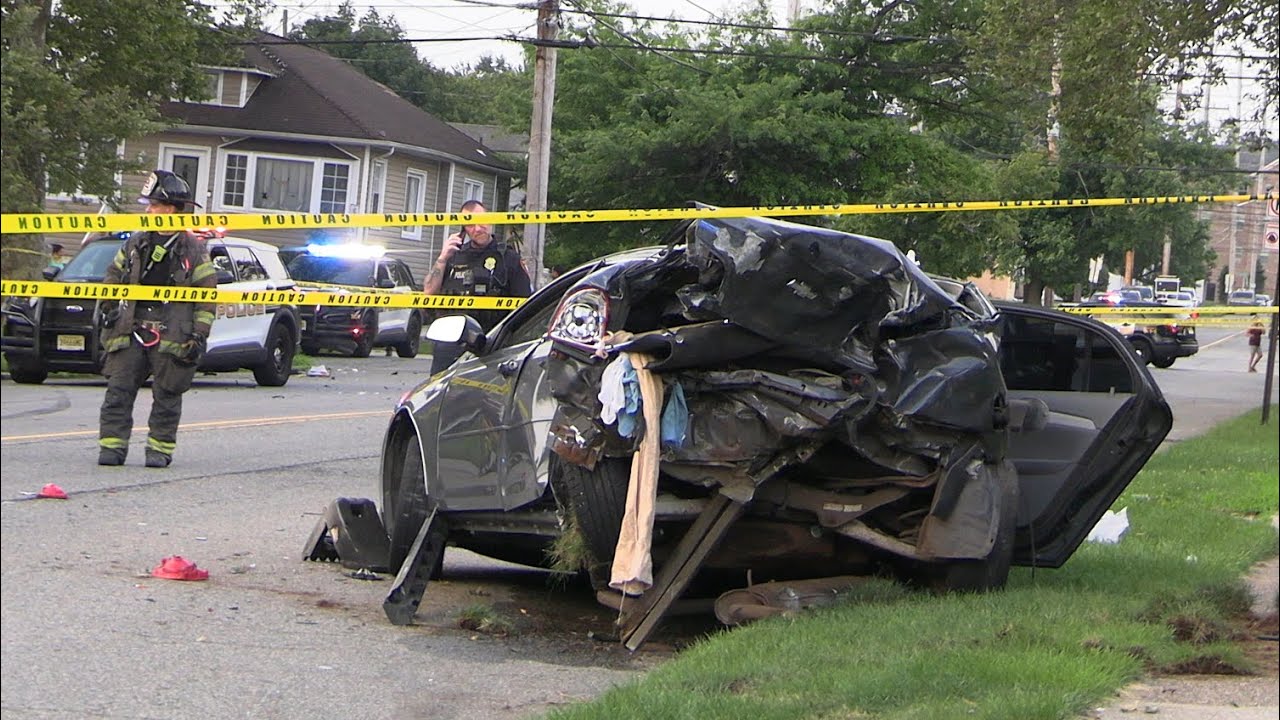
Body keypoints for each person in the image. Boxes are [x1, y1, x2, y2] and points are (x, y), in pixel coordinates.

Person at [96, 170, 218, 468]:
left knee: (167, 394)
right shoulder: (136, 243)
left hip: (173, 333)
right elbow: (113, 275)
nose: (148, 211)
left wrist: (199, 333)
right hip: (131, 330)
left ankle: (159, 450)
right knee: (118, 391)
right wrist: (108, 305)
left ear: (173, 210)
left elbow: (206, 295)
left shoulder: (194, 249)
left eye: (154, 206)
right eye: (148, 205)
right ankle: (112, 448)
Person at [423, 199, 532, 374]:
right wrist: (443, 257)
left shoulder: (508, 258)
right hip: (452, 342)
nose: (478, 228)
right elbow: (429, 292)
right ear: (464, 229)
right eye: (470, 225)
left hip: (492, 343)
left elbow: (525, 305)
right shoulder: (454, 256)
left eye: (481, 221)